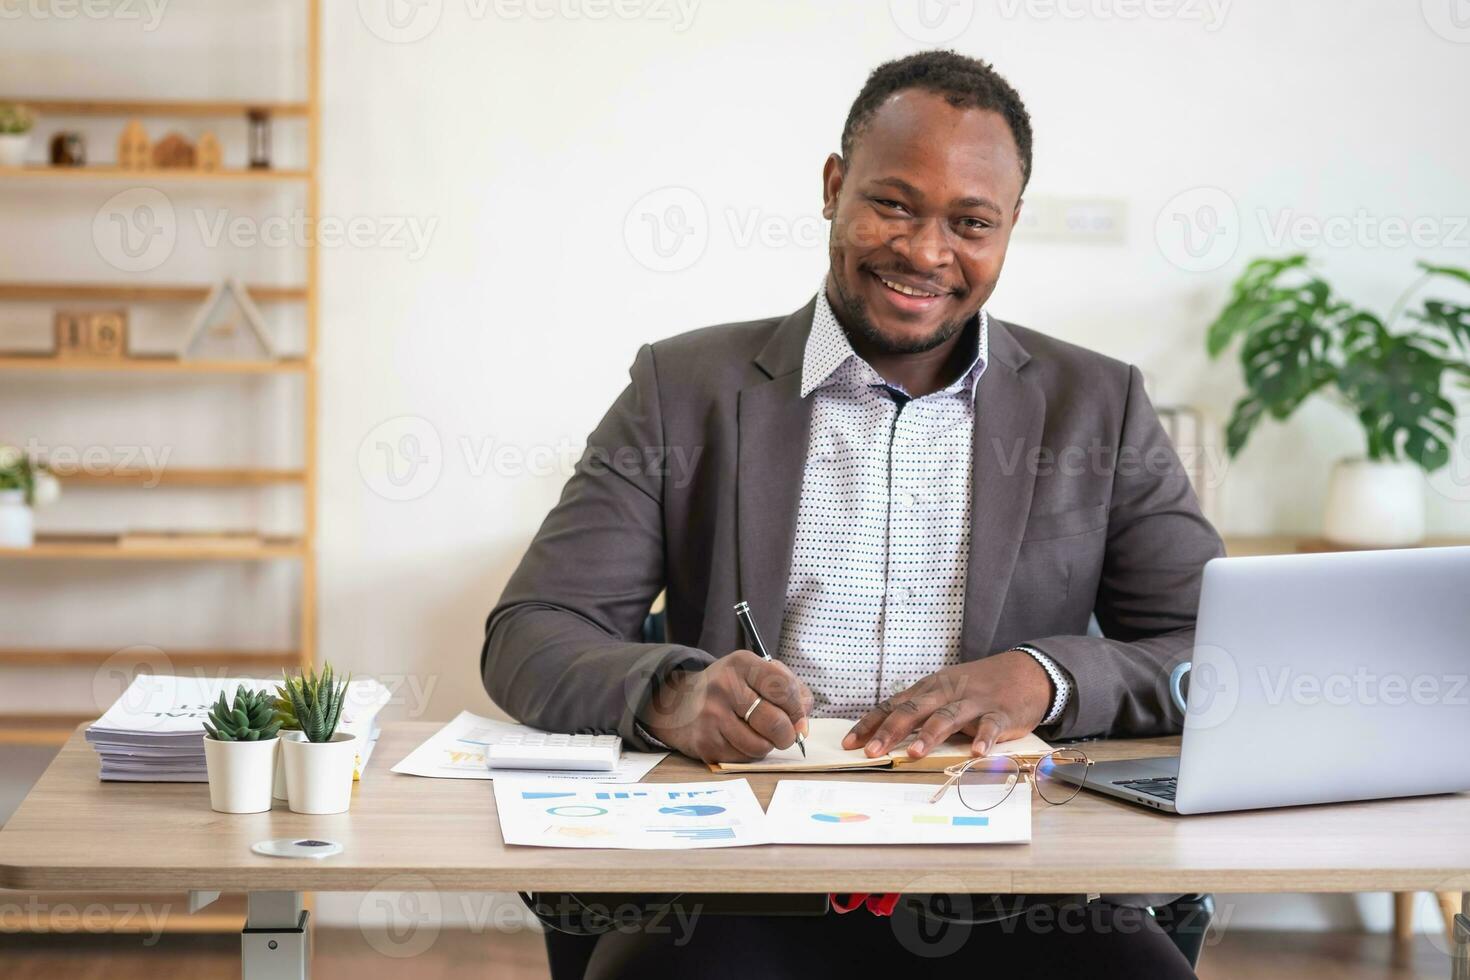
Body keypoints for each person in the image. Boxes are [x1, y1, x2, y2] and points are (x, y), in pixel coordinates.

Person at [483, 49, 1220, 979]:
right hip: (744, 880)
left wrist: (1044, 678)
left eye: (972, 222)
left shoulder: (1097, 405)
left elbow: (1214, 649)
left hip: (1024, 885)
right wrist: (674, 695)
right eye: (894, 204)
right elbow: (532, 630)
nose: (924, 250)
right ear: (835, 187)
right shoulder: (685, 388)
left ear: (1010, 229)